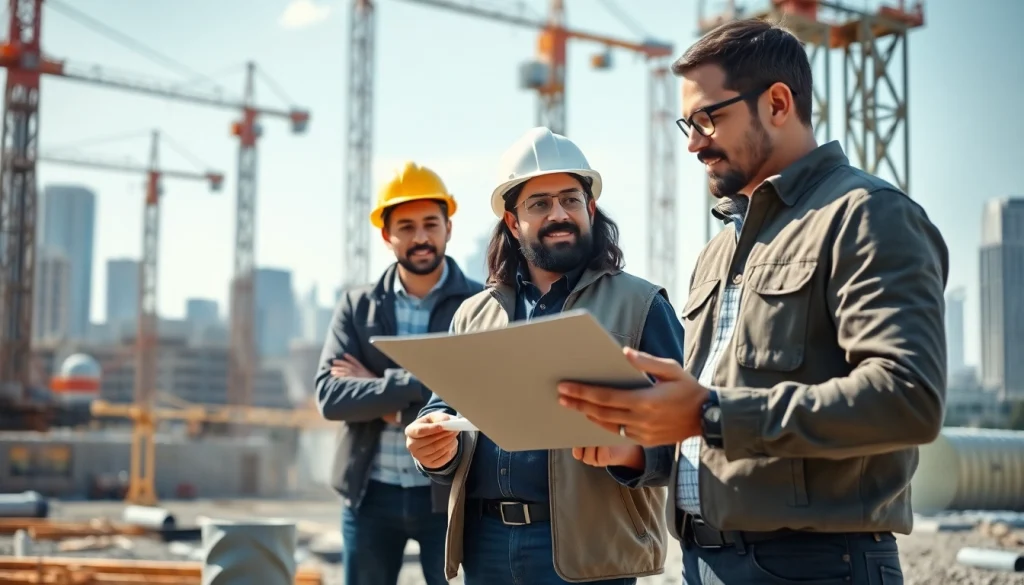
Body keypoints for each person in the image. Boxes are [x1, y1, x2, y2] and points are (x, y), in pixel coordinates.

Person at [555, 18, 949, 585]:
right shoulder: (719, 250)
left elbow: (907, 398)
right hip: (703, 563)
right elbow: (712, 425)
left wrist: (709, 412)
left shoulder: (867, 216)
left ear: (779, 103)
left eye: (708, 118)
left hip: (817, 567)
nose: (693, 143)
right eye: (686, 124)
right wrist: (640, 450)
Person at [403, 126, 685, 585]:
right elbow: (446, 412)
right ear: (513, 223)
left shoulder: (642, 305)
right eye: (539, 204)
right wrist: (434, 451)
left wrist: (630, 451)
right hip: (485, 545)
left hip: (590, 550)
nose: (559, 213)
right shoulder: (474, 315)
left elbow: (683, 432)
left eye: (571, 200)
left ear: (590, 208)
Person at [315, 161, 484, 585]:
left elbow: (483, 397)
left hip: (450, 497)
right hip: (370, 496)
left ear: (449, 227)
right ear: (387, 235)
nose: (420, 237)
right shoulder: (357, 307)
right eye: (406, 226)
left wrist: (380, 395)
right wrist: (427, 386)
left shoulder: (480, 305)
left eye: (430, 223)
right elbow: (330, 397)